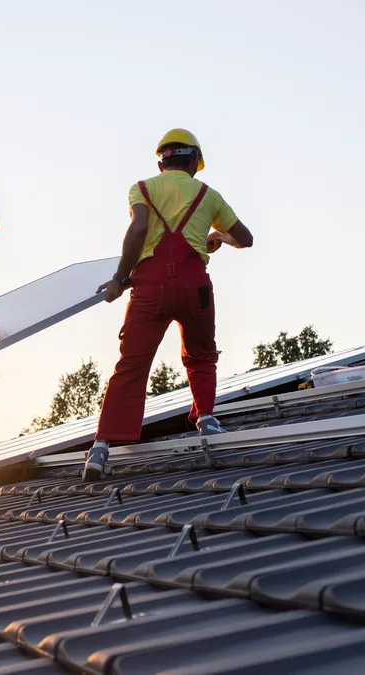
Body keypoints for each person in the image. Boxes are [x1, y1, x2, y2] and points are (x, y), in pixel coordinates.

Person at [85, 129, 255, 480]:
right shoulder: (209, 195)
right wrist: (216, 237)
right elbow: (245, 239)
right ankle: (207, 421)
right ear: (194, 161)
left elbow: (138, 230)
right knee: (201, 355)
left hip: (149, 289)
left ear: (161, 160)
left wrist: (119, 277)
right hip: (195, 288)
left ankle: (101, 449)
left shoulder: (143, 189)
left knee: (131, 364)